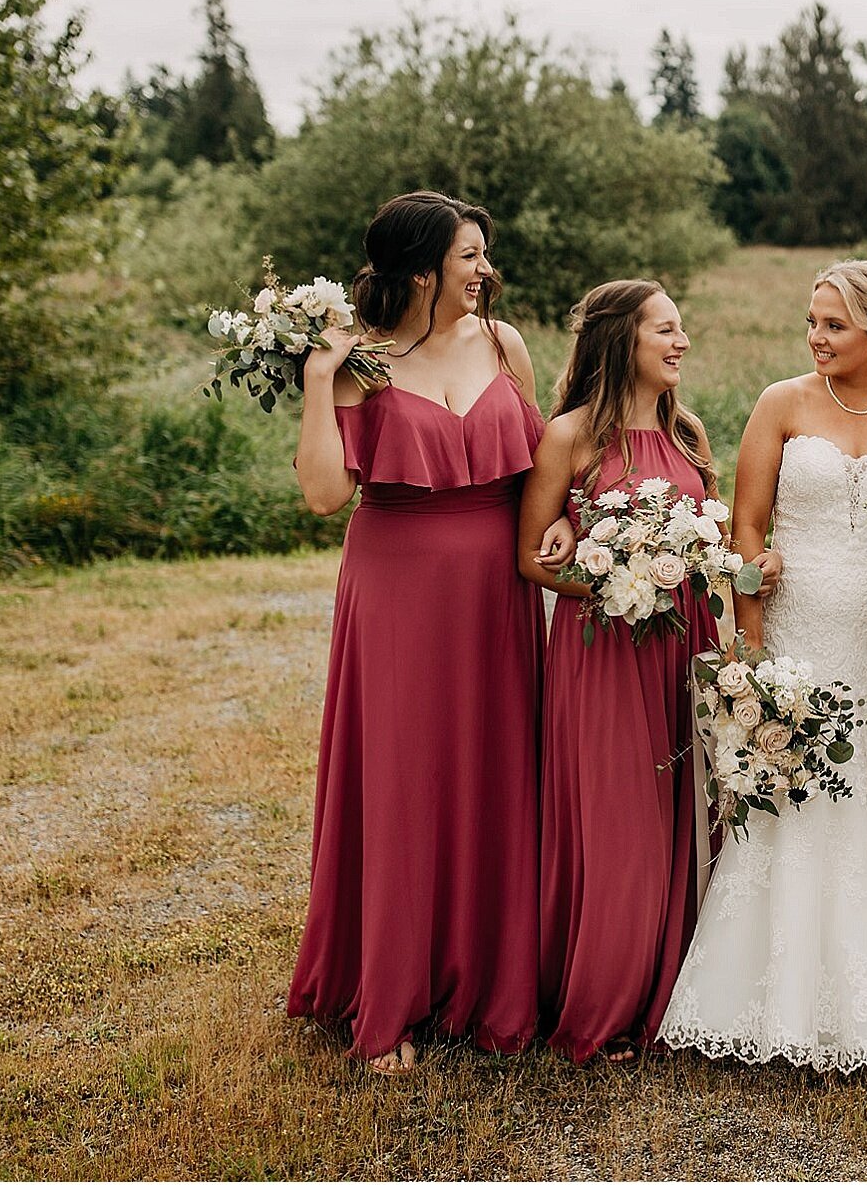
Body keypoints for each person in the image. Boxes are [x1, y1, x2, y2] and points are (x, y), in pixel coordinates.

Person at [286, 191, 565, 1075]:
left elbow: (545, 461)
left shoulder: (505, 343)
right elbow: (326, 495)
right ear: (422, 270)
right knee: (404, 777)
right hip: (396, 585)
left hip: (496, 585)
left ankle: (494, 986)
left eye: (483, 254)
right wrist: (315, 381)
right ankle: (394, 997)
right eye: (470, 257)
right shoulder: (358, 361)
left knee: (496, 768)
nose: (485, 270)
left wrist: (565, 523)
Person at [658, 259, 867, 1073]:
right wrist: (749, 645)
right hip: (799, 624)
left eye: (835, 325)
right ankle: (773, 998)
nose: (816, 337)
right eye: (812, 322)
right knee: (802, 787)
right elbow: (748, 525)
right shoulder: (780, 403)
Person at [520, 279, 748, 1064]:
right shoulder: (571, 437)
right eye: (666, 330)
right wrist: (617, 579)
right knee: (619, 822)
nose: (681, 343)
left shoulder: (689, 432)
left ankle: (681, 990)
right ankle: (605, 1001)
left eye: (681, 330)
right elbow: (530, 558)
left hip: (685, 643)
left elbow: (712, 541)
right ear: (623, 340)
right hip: (602, 650)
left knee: (684, 808)